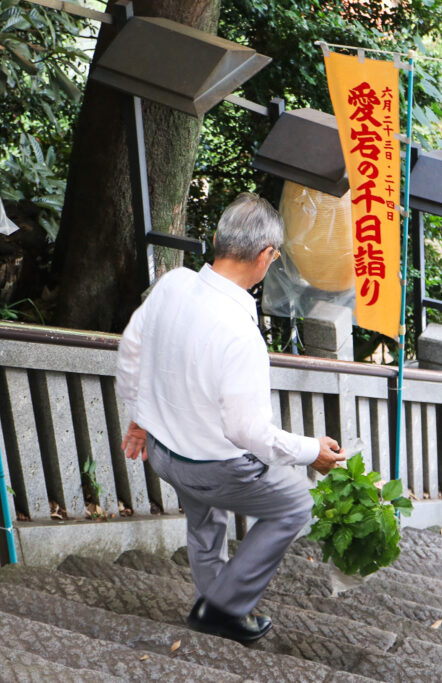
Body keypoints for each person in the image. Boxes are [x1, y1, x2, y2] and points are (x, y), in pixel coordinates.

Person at [116, 193, 346, 644]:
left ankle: (214, 604)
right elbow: (246, 432)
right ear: (266, 255)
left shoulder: (173, 284)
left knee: (205, 519)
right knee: (295, 504)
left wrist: (139, 416)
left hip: (164, 454)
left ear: (219, 239)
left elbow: (130, 351)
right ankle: (220, 607)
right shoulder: (241, 333)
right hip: (215, 466)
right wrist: (310, 452)